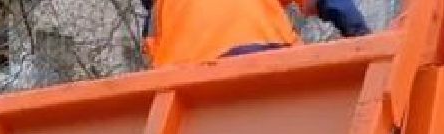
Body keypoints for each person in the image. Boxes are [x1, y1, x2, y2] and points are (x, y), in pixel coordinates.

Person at [141, 0, 372, 67]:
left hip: (187, 91)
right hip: (266, 59)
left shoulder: (157, 15)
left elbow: (155, 60)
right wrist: (364, 38)